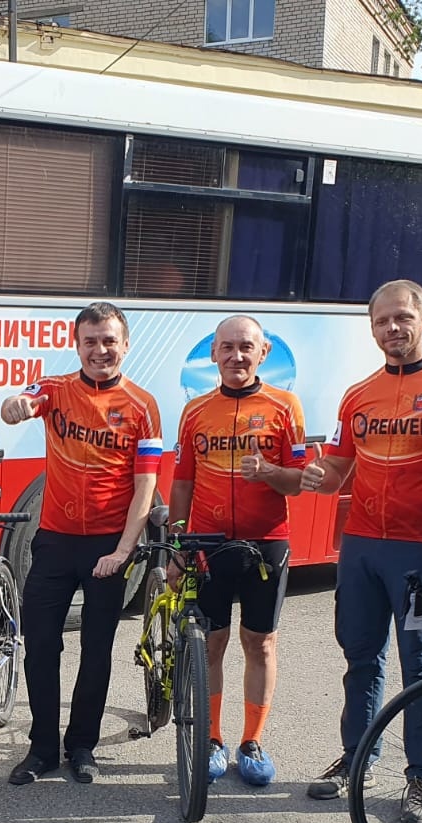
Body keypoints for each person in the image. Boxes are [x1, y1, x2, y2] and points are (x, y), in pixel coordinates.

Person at [301, 280, 422, 823]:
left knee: (421, 666)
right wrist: (309, 473)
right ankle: (358, 757)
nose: (392, 328)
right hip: (360, 547)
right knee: (360, 657)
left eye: (402, 317)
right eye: (382, 321)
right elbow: (337, 470)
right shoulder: (358, 395)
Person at [1, 301, 163, 785]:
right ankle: (42, 748)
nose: (100, 350)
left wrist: (123, 551)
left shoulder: (143, 406)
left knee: (96, 650)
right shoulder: (55, 390)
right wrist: (15, 405)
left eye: (109, 340)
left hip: (108, 548)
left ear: (125, 344)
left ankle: (82, 745)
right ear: (77, 345)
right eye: (90, 341)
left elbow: (146, 486)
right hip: (54, 542)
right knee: (40, 645)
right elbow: (20, 404)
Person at [169, 315, 307, 786]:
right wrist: (177, 544)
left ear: (263, 353)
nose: (236, 356)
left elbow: (298, 483)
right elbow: (182, 483)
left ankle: (252, 741)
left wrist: (268, 472)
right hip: (209, 543)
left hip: (266, 541)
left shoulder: (285, 406)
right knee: (211, 642)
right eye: (227, 347)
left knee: (260, 642)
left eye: (246, 347)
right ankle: (211, 739)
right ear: (213, 353)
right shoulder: (195, 411)